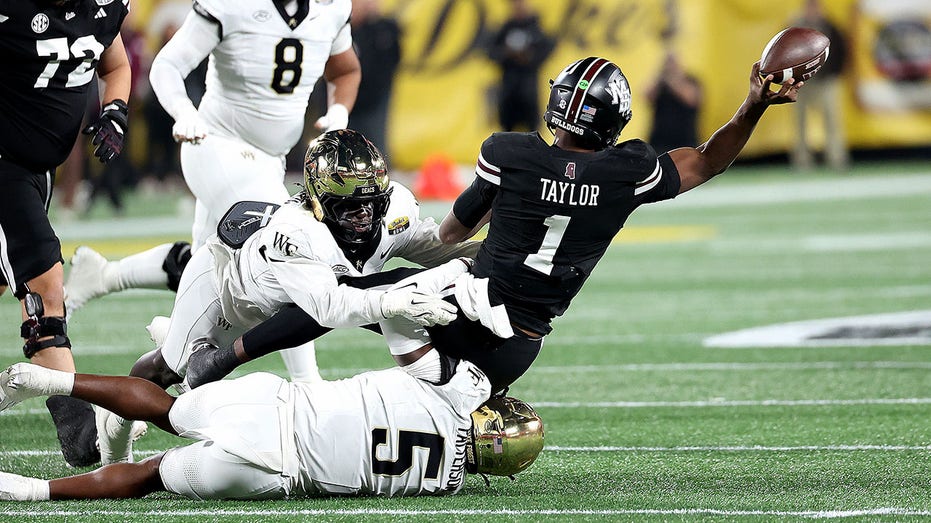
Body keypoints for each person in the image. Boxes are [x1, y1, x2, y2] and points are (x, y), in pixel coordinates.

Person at [94, 130, 479, 463]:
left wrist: (491, 253)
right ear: (317, 201)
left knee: (406, 296)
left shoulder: (395, 206)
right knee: (170, 371)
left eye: (370, 203)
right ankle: (114, 429)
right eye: (347, 206)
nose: (363, 216)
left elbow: (428, 246)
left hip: (302, 302)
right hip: (228, 295)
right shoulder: (296, 231)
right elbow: (327, 308)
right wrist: (391, 301)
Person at [65, 0, 364, 386]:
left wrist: (338, 113)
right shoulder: (234, 3)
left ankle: (105, 278)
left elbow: (346, 70)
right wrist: (184, 112)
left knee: (211, 265)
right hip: (217, 144)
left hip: (268, 159)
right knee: (285, 249)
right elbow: (168, 65)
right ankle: (309, 385)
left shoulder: (332, 7)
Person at [0, 358, 544, 500]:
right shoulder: (444, 482)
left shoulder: (459, 392)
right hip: (274, 472)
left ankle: (49, 379)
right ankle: (29, 490)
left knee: (164, 409)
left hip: (278, 407)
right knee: (147, 477)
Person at [0, 0, 132, 467]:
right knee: (45, 287)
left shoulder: (103, 7)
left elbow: (114, 63)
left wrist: (115, 109)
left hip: (39, 169)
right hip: (4, 165)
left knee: (8, 278)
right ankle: (80, 432)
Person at [791, 0, 849, 171]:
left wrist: (835, 73)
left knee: (832, 119)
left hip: (825, 81)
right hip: (802, 83)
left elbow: (841, 49)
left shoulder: (829, 26)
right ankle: (802, 160)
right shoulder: (795, 27)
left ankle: (837, 157)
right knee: (800, 122)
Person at [486, 0, 555, 132]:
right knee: (506, 134)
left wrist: (529, 58)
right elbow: (491, 52)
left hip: (529, 91)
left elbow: (547, 49)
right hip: (508, 91)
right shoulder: (506, 27)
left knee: (531, 134)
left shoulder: (535, 27)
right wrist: (507, 54)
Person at [347, 0, 402, 158]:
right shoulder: (341, 30)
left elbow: (392, 58)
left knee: (374, 150)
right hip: (346, 101)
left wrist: (373, 19)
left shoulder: (382, 30)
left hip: (374, 102)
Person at [644, 51, 703, 155]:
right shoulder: (661, 84)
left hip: (685, 142)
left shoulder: (691, 80)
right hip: (659, 142)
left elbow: (691, 99)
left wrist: (673, 79)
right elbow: (646, 96)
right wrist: (659, 76)